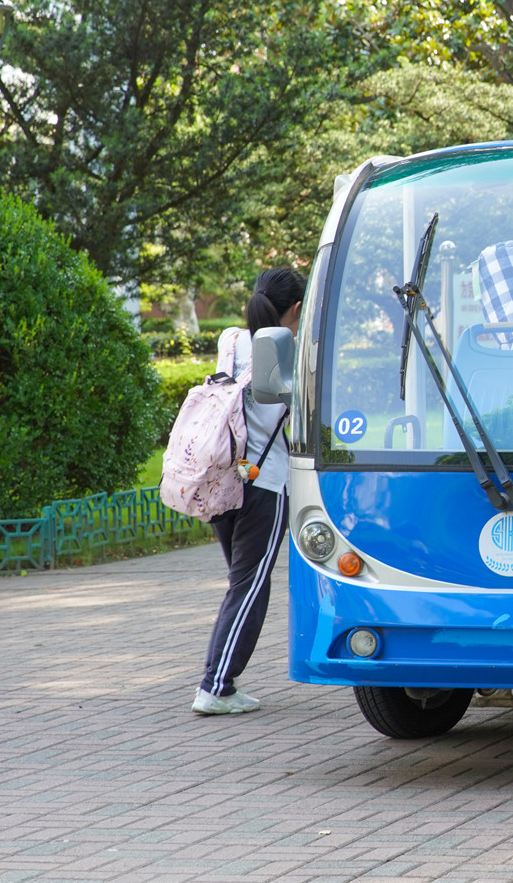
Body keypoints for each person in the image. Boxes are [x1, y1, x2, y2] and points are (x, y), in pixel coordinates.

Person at [192, 268, 307, 715]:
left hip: (222, 478)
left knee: (241, 584)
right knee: (250, 587)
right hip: (265, 481)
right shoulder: (295, 351)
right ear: (296, 309)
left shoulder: (230, 339)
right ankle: (215, 686)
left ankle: (220, 681)